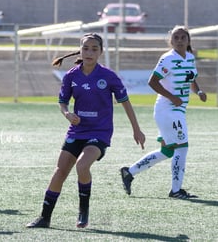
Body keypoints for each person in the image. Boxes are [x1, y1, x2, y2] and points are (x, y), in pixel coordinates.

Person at [26, 33, 146, 229]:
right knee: (60, 171)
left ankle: (83, 210)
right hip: (77, 131)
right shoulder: (71, 76)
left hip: (100, 131)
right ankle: (44, 218)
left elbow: (125, 103)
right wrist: (67, 114)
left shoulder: (108, 76)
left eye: (94, 49)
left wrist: (137, 130)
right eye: (86, 48)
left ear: (101, 52)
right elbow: (62, 102)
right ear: (80, 50)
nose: (89, 52)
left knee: (82, 166)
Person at [120, 26, 207, 199]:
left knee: (167, 151)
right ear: (171, 41)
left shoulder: (189, 58)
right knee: (182, 147)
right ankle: (176, 190)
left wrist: (198, 92)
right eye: (176, 37)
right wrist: (172, 97)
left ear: (189, 40)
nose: (180, 40)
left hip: (177, 111)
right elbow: (152, 82)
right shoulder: (167, 59)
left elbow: (191, 79)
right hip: (167, 110)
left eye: (183, 37)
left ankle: (129, 172)